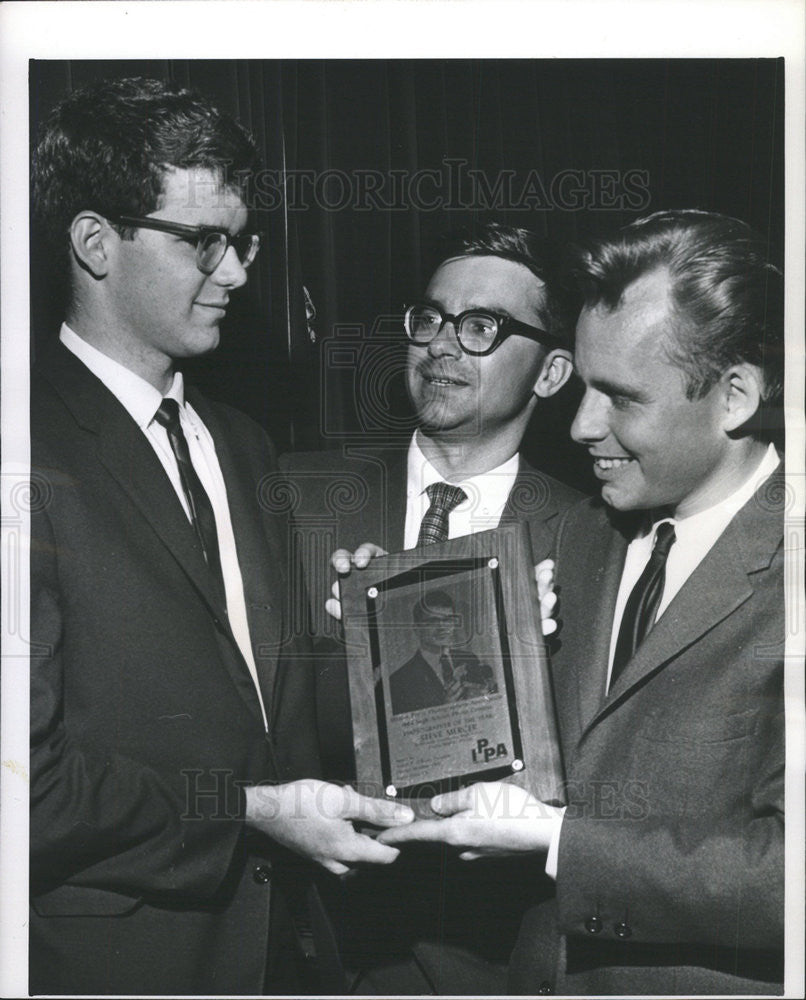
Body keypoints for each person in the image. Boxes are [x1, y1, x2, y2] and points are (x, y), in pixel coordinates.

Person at [28, 76, 414, 997]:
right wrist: (249, 813)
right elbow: (24, 786)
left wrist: (376, 635)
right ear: (95, 243)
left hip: (294, 955)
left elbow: (264, 710)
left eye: (242, 243)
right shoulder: (21, 448)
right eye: (205, 242)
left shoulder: (240, 443)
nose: (238, 273)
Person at [378, 210, 786, 995]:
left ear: (735, 397)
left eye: (621, 398)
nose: (583, 423)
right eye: (585, 386)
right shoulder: (568, 533)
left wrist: (561, 840)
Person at [282, 223, 581, 993]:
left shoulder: (592, 538)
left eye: (481, 326)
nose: (442, 345)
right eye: (430, 319)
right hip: (321, 950)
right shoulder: (298, 500)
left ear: (551, 373)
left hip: (502, 957)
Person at [389, 590, 496, 715]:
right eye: (432, 621)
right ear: (417, 629)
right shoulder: (399, 681)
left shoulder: (469, 658)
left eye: (448, 620)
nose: (442, 627)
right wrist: (443, 711)